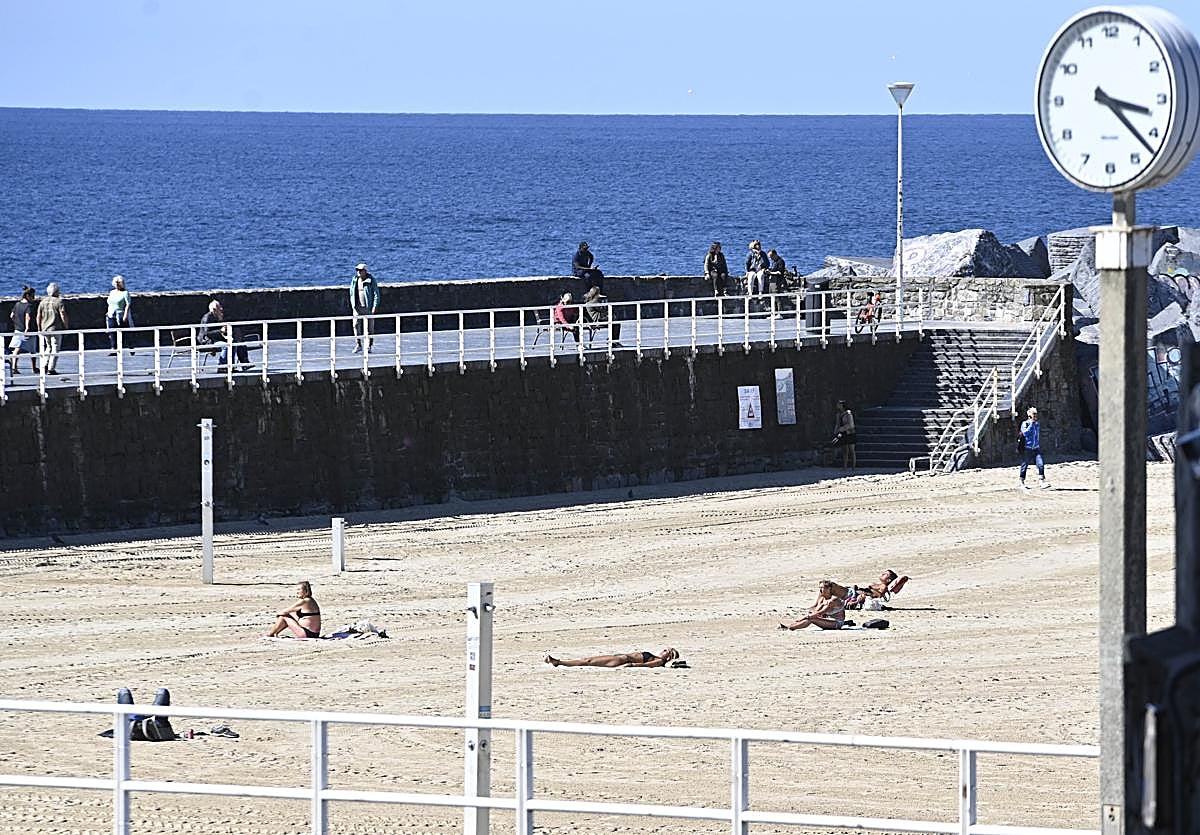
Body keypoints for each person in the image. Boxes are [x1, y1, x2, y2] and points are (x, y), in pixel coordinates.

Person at [198, 300, 250, 371]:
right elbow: (207, 333)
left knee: (235, 342)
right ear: (214, 309)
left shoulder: (217, 316)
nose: (221, 309)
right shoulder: (207, 318)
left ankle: (232, 366)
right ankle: (222, 367)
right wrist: (220, 331)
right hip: (207, 341)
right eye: (219, 307)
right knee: (226, 346)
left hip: (216, 339)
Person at [779, 580, 846, 630]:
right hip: (827, 619)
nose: (820, 590)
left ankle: (790, 627)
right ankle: (791, 626)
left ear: (829, 589)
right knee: (810, 617)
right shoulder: (822, 598)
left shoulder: (834, 600)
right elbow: (816, 609)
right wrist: (808, 614)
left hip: (837, 623)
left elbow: (820, 612)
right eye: (820, 588)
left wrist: (804, 617)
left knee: (811, 619)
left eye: (822, 588)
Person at [37, 282, 68, 375]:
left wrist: (39, 328)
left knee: (48, 347)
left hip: (45, 328)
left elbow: (38, 316)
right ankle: (51, 368)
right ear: (57, 292)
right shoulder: (58, 301)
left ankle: (44, 365)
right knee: (55, 348)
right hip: (55, 328)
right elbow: (63, 314)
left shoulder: (43, 302)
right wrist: (66, 326)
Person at [544, 647, 680, 668]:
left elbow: (648, 665)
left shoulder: (660, 661)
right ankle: (559, 662)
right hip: (620, 657)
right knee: (588, 660)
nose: (663, 651)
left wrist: (632, 665)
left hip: (622, 660)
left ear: (669, 657)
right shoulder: (657, 657)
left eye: (666, 651)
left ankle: (559, 662)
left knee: (588, 661)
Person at [349, 262, 379, 354]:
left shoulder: (371, 280)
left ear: (365, 271)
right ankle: (358, 344)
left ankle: (369, 346)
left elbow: (376, 294)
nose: (358, 272)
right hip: (357, 307)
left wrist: (374, 306)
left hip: (368, 308)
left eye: (360, 270)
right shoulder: (354, 280)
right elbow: (351, 292)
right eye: (357, 270)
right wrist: (353, 305)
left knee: (369, 328)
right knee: (356, 325)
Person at [7, 286, 38, 374]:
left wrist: (16, 323)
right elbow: (27, 317)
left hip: (18, 329)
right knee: (32, 350)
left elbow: (11, 315)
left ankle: (14, 366)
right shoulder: (29, 306)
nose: (34, 298)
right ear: (28, 296)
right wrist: (27, 327)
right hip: (28, 330)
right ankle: (34, 367)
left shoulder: (17, 304)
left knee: (16, 349)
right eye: (32, 296)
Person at [1019, 406, 1050, 489]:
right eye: (1034, 415)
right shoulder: (1025, 423)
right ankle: (1021, 481)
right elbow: (1025, 433)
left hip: (1036, 448)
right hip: (1027, 448)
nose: (1036, 416)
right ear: (1030, 416)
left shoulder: (1037, 424)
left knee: (1040, 464)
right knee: (1024, 465)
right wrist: (1031, 425)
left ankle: (1041, 481)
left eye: (1036, 415)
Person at [105, 275, 133, 355]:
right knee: (112, 332)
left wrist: (125, 315)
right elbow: (109, 302)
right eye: (116, 283)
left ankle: (130, 346)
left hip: (120, 315)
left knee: (125, 333)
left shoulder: (125, 293)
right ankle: (113, 349)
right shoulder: (112, 292)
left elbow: (128, 304)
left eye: (119, 283)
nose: (117, 284)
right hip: (111, 315)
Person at [832, 400, 856, 469]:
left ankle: (853, 466)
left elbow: (850, 424)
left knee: (851, 450)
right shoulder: (838, 414)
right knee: (845, 450)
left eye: (839, 404)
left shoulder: (848, 414)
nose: (837, 405)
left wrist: (842, 429)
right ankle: (845, 466)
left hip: (850, 432)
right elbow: (837, 423)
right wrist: (836, 431)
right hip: (843, 433)